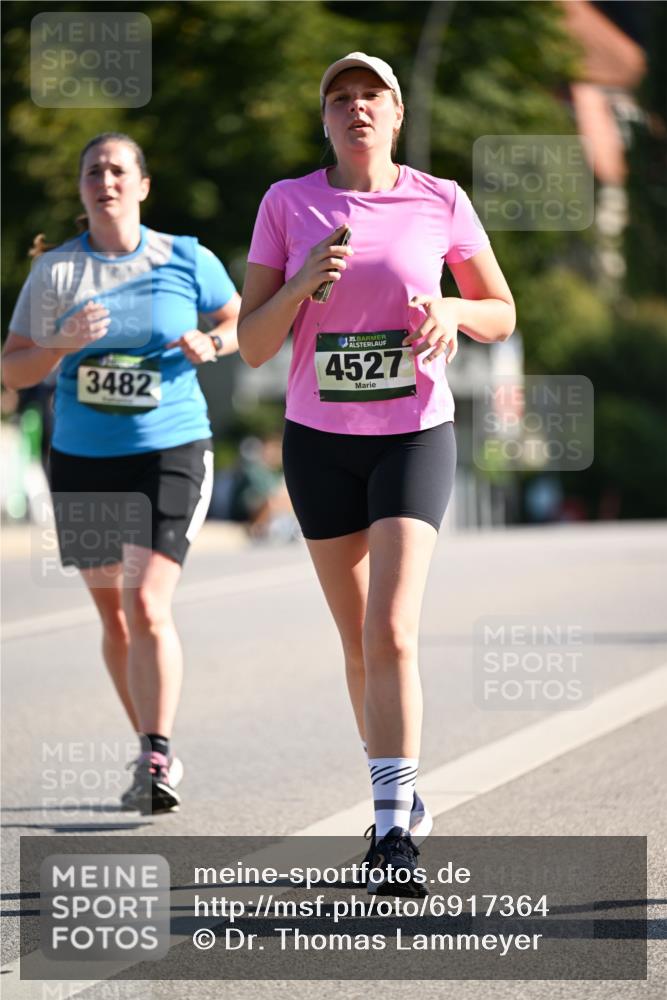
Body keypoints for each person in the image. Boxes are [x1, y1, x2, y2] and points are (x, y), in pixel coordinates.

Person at [238, 53, 515, 895]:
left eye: (371, 97)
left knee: (391, 630)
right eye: (340, 98)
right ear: (323, 119)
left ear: (394, 115)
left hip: (412, 435)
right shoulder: (287, 204)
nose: (356, 108)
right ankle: (401, 785)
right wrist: (298, 286)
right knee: (358, 641)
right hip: (318, 441)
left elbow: (499, 313)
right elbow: (252, 343)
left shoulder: (441, 200)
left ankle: (390, 831)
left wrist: (452, 311)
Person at [2, 133, 241, 815]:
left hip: (170, 448)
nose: (104, 180)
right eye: (91, 172)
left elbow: (239, 321)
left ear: (142, 184)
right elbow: (12, 368)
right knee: (114, 617)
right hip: (83, 457)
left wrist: (213, 342)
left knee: (145, 602)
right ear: (81, 189)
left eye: (116, 169)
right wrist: (60, 345)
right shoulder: (56, 272)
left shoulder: (185, 257)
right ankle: (147, 738)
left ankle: (155, 754)